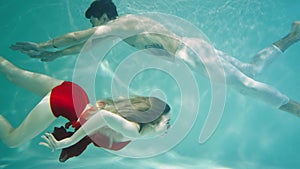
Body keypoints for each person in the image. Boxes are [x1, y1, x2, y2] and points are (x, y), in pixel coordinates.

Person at [11, 0, 300, 117]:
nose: (92, 26)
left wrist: (42, 44)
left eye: (93, 21)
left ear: (102, 16)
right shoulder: (119, 31)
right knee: (251, 68)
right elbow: (84, 46)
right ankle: (293, 36)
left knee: (246, 85)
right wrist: (51, 54)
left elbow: (78, 38)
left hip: (190, 53)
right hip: (194, 48)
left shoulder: (120, 24)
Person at [0, 56, 171, 162]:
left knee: (13, 74)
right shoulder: (134, 131)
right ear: (154, 120)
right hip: (65, 104)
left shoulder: (133, 121)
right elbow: (103, 115)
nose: (169, 126)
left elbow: (104, 112)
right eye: (167, 121)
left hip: (76, 93)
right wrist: (70, 141)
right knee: (12, 140)